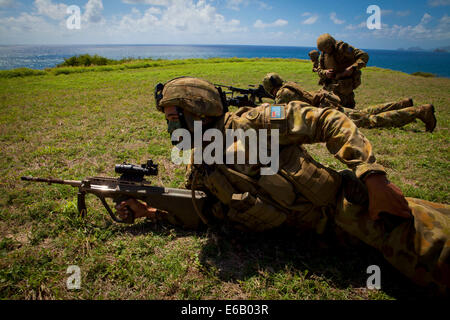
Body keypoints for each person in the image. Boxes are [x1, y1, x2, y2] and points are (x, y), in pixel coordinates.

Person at [116, 76, 449, 292]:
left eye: (176, 117)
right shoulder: (201, 165)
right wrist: (149, 211)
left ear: (200, 112)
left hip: (353, 209)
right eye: (168, 119)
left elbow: (327, 120)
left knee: (438, 254)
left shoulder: (255, 123)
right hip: (322, 241)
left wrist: (371, 174)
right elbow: (203, 213)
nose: (171, 126)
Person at [262, 73, 437, 132]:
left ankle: (419, 111)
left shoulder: (282, 94)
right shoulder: (289, 86)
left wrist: (263, 110)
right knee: (364, 112)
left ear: (270, 88)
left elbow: (277, 119)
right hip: (329, 106)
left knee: (369, 121)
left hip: (329, 113)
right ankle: (403, 104)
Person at [316, 33, 369, 109]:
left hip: (345, 88)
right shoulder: (323, 54)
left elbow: (364, 56)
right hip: (329, 88)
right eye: (323, 50)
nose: (325, 51)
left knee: (347, 110)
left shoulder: (343, 48)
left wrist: (352, 68)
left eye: (326, 49)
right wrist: (325, 72)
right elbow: (319, 69)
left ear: (331, 44)